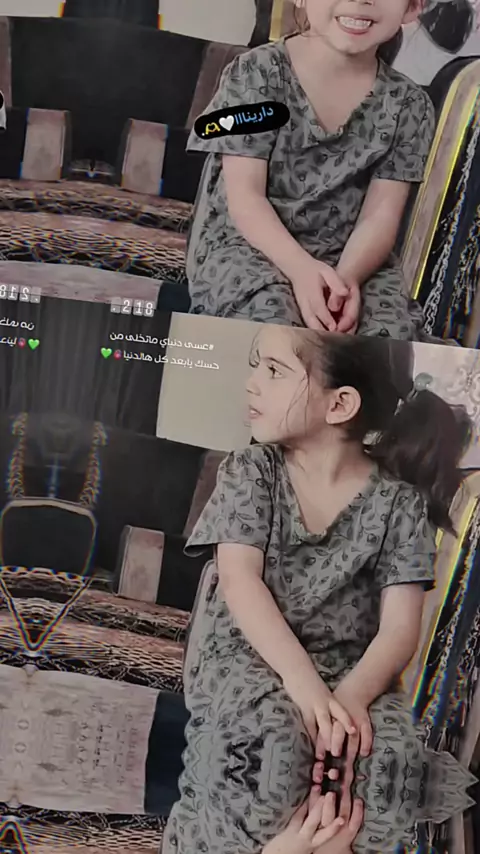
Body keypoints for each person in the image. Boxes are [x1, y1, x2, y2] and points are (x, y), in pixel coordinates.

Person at [162, 329, 472, 854]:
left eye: (273, 370)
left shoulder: (400, 504)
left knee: (383, 767)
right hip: (250, 653)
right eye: (257, 365)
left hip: (347, 670)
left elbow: (400, 631)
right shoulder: (251, 470)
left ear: (340, 404)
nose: (251, 383)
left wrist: (347, 701)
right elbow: (239, 580)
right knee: (270, 741)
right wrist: (304, 687)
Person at [185, 0, 435, 338]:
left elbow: (380, 218)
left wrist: (345, 282)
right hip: (250, 245)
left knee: (387, 338)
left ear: (413, 7)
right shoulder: (256, 73)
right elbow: (246, 199)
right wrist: (302, 271)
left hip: (353, 259)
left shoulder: (410, 105)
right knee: (274, 327)